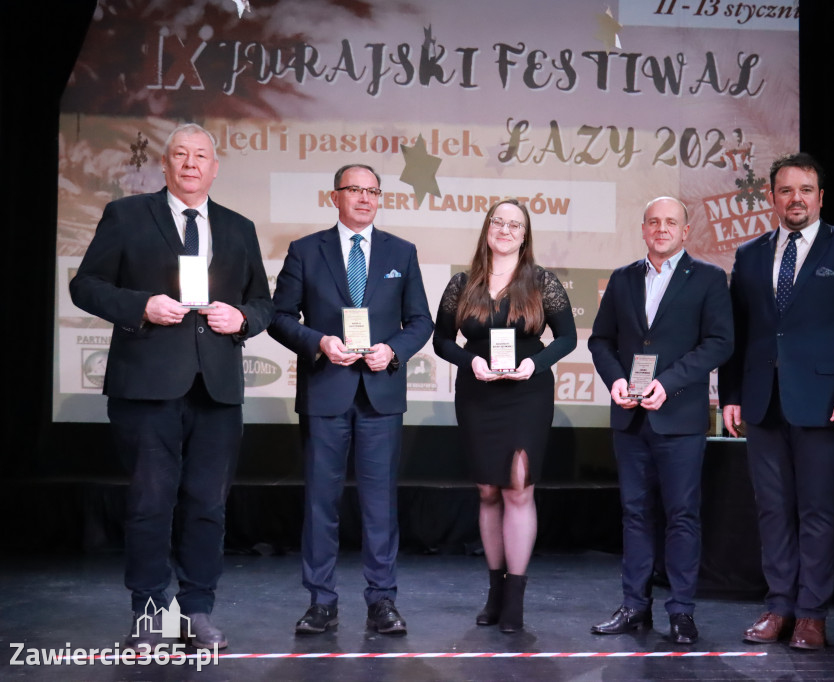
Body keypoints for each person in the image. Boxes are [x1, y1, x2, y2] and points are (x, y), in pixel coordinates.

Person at [69, 122, 273, 650]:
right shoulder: (127, 216)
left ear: (214, 167)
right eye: (180, 154)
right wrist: (140, 305)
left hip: (217, 388)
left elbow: (264, 304)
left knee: (207, 503)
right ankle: (149, 613)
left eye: (200, 156)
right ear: (164, 164)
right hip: (146, 385)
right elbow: (85, 285)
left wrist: (243, 318)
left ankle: (197, 611)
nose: (190, 164)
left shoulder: (238, 226)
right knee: (150, 502)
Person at [720, 152, 834, 650]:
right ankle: (779, 609)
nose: (796, 199)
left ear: (820, 197)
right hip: (762, 402)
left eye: (806, 190)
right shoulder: (749, 255)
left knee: (816, 511)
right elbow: (739, 331)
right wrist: (730, 395)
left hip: (825, 402)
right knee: (772, 510)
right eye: (786, 190)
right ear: (771, 198)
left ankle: (812, 614)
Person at [269, 164, 433, 636]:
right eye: (354, 190)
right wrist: (319, 342)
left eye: (372, 191)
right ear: (334, 196)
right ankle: (321, 601)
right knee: (321, 502)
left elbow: (420, 321)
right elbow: (280, 317)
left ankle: (382, 601)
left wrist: (394, 351)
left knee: (380, 504)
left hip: (380, 394)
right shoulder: (305, 250)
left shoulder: (401, 251)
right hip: (326, 389)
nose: (364, 198)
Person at [588, 197, 733, 644]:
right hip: (629, 418)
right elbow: (600, 341)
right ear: (644, 229)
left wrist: (667, 383)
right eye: (654, 222)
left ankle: (681, 610)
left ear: (686, 231)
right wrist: (614, 381)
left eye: (671, 222)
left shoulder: (709, 279)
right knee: (634, 514)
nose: (662, 228)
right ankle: (635, 606)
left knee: (682, 515)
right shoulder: (623, 278)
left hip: (679, 418)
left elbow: (719, 343)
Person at [433, 198, 577, 632]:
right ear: (487, 228)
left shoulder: (542, 282)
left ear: (525, 234)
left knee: (517, 489)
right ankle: (494, 592)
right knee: (487, 492)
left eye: (515, 224)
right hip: (478, 393)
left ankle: (514, 598)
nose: (506, 229)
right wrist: (468, 362)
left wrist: (536, 363)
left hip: (526, 394)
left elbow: (567, 338)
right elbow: (441, 341)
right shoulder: (462, 284)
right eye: (499, 222)